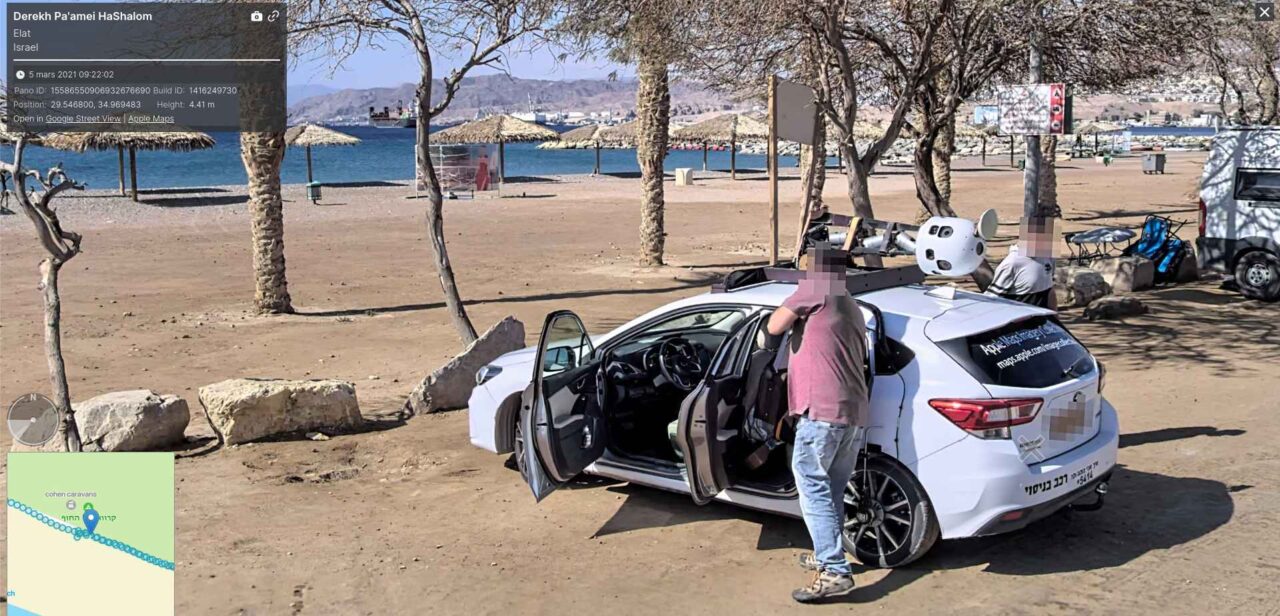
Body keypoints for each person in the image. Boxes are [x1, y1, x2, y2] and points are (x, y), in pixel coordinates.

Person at [764, 244, 869, 603]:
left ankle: (834, 570)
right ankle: (828, 554)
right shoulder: (850, 302)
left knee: (811, 484)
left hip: (821, 412)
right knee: (832, 489)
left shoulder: (815, 288)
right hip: (852, 412)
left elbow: (774, 325)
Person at [983, 217, 1058, 309]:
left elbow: (1049, 289)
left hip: (1044, 317)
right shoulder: (1011, 264)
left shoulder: (1048, 257)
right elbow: (991, 299)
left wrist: (1054, 315)